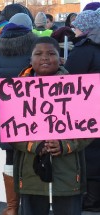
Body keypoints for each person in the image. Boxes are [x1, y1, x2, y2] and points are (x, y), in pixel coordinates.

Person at [13, 36, 92, 215]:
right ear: (30, 59)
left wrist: (65, 145)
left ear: (61, 58)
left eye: (51, 53)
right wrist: (34, 145)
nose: (45, 58)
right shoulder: (16, 90)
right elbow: (8, 131)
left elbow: (90, 128)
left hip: (68, 174)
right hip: (31, 175)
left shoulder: (78, 89)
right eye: (38, 53)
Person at [0, 12, 37, 215]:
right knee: (33, 154)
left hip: (6, 109)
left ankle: (11, 207)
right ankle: (31, 204)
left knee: (9, 156)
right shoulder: (35, 45)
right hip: (33, 109)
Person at [64, 9, 100, 212]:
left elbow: (69, 80)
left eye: (76, 27)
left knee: (92, 153)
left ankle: (93, 199)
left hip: (90, 109)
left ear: (85, 29)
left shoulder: (84, 49)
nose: (74, 31)